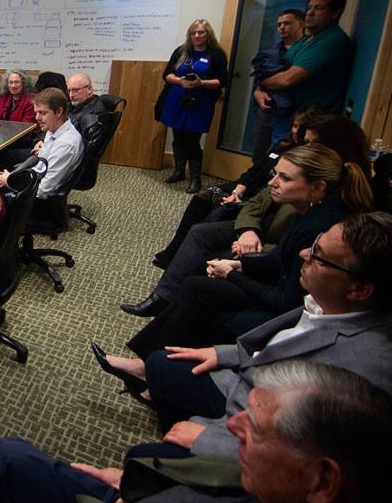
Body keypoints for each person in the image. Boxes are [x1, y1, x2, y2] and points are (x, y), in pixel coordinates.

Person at [99, 213, 392, 458]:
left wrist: (208, 441)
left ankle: (185, 458)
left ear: (360, 289)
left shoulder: (370, 379)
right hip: (253, 380)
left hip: (252, 422)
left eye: (319, 256)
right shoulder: (338, 301)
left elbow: (303, 462)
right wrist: (225, 354)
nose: (304, 256)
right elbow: (289, 340)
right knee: (161, 363)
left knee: (141, 459)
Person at [0, 361, 392, 503]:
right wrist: (131, 483)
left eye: (257, 427)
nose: (231, 426)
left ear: (322, 481)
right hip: (145, 491)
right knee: (7, 457)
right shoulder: (281, 485)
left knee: (6, 458)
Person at [100, 144, 373, 378]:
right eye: (275, 174)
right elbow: (278, 259)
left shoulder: (322, 229)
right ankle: (149, 366)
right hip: (278, 289)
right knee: (200, 283)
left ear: (317, 188)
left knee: (202, 290)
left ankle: (149, 368)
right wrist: (239, 265)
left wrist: (232, 275)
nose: (272, 182)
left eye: (284, 178)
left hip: (288, 311)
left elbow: (285, 302)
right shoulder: (309, 210)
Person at [122, 106, 327, 317]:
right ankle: (163, 292)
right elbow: (256, 186)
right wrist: (246, 222)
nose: (296, 133)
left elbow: (284, 246)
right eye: (294, 127)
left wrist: (252, 239)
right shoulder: (283, 151)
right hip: (251, 212)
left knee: (215, 222)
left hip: (265, 238)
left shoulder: (309, 185)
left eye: (306, 137)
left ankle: (178, 286)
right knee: (202, 212)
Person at [259, 0, 353, 136]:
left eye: (319, 8)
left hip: (312, 123)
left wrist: (262, 81)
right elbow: (276, 69)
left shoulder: (332, 41)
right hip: (288, 114)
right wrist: (260, 89)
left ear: (335, 13)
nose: (310, 13)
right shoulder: (307, 40)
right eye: (309, 8)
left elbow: (285, 79)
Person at [159, 20, 229, 194]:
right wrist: (179, 81)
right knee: (178, 137)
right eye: (193, 33)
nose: (197, 36)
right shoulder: (182, 51)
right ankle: (179, 171)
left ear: (208, 34)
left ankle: (195, 178)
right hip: (177, 99)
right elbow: (166, 74)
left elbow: (222, 81)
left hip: (200, 102)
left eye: (201, 32)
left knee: (192, 140)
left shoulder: (216, 54)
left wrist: (201, 83)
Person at [0, 88, 81, 216]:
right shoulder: (54, 129)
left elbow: (44, 190)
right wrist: (15, 176)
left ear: (59, 112)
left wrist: (11, 181)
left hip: (36, 200)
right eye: (36, 112)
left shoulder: (65, 145)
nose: (37, 118)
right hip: (33, 177)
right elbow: (41, 166)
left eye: (42, 113)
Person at [250, 9, 305, 163]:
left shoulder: (307, 50)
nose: (282, 27)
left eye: (287, 23)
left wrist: (266, 83)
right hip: (268, 109)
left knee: (284, 152)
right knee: (261, 151)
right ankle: (252, 182)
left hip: (294, 111)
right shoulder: (271, 53)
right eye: (279, 24)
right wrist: (258, 91)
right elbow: (260, 78)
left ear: (300, 24)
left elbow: (287, 80)